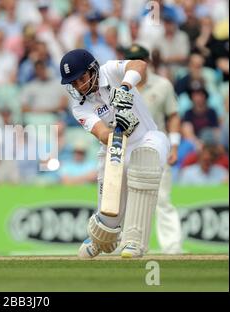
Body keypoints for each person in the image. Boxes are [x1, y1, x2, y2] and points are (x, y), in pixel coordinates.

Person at [59, 49, 169, 258]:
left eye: (81, 78)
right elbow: (101, 133)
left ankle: (134, 241)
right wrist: (120, 129)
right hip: (116, 149)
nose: (79, 86)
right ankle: (101, 238)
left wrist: (126, 88)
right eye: (73, 83)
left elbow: (140, 65)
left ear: (93, 70)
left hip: (149, 139)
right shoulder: (78, 106)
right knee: (108, 224)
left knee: (144, 163)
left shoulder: (110, 71)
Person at [123, 44, 183, 254]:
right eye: (130, 59)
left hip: (158, 149)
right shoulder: (120, 86)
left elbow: (173, 116)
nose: (135, 63)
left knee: (162, 199)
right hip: (128, 150)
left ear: (146, 62)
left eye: (139, 59)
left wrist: (174, 145)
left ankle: (173, 248)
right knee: (127, 200)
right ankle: (127, 245)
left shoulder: (163, 85)